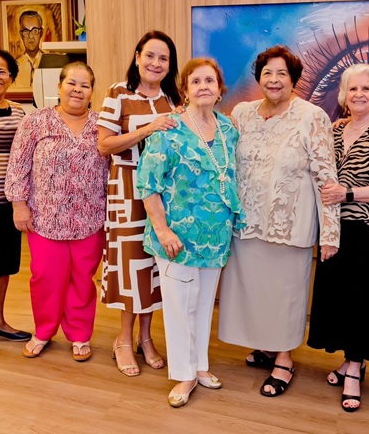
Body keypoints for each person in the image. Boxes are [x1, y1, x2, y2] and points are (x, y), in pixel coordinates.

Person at [218, 45, 340, 397]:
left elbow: (326, 177)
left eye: (281, 74)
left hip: (289, 223)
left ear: (293, 79)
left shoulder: (312, 116)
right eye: (267, 73)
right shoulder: (242, 113)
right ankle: (267, 347)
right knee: (255, 290)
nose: (274, 80)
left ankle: (284, 359)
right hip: (247, 222)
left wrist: (330, 232)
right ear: (259, 78)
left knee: (285, 294)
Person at [137, 57, 246, 407]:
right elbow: (148, 184)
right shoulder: (169, 130)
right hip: (177, 237)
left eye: (209, 81)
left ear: (220, 89)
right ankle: (184, 375)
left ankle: (199, 366)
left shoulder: (228, 129)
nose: (203, 86)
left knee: (201, 304)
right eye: (195, 81)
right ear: (185, 89)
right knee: (180, 306)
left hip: (215, 236)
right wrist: (162, 229)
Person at [5, 62, 109, 361]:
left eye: (85, 85)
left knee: (82, 280)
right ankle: (44, 331)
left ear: (92, 91)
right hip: (44, 217)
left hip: (90, 216)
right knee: (45, 278)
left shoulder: (102, 124)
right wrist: (19, 205)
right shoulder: (36, 121)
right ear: (59, 86)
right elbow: (18, 165)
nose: (77, 90)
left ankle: (80, 335)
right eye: (71, 83)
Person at [97, 30, 183, 377]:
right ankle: (123, 339)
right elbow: (104, 145)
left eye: (163, 58)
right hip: (127, 188)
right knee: (130, 263)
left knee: (153, 265)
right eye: (150, 55)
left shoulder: (174, 99)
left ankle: (146, 338)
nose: (155, 63)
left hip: (163, 193)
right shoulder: (118, 93)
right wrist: (148, 128)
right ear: (137, 57)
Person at [307, 63, 369, 413]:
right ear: (343, 95)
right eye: (353, 89)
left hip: (368, 228)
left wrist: (347, 194)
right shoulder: (335, 131)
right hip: (334, 228)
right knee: (340, 299)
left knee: (361, 300)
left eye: (366, 88)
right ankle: (351, 359)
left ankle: (354, 370)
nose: (359, 94)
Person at [0, 47, 32, 359]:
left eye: (2, 71)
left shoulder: (18, 112)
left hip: (9, 202)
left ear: (11, 77)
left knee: (3, 264)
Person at [12, 10, 44, 89]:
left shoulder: (50, 63)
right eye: (26, 31)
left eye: (35, 31)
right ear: (21, 34)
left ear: (41, 32)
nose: (30, 37)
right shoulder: (14, 66)